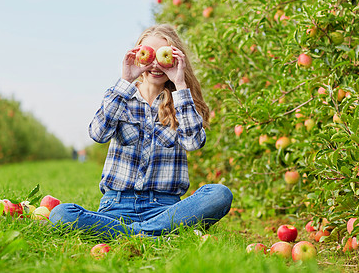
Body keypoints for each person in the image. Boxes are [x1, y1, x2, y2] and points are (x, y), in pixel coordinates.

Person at [49, 24, 233, 238]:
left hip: (164, 208)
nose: (155, 64)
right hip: (116, 207)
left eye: (163, 57)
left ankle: (129, 234)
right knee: (61, 214)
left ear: (175, 60)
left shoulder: (181, 103)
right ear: (138, 57)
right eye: (149, 56)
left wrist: (180, 84)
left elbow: (193, 142)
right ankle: (152, 233)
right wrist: (125, 80)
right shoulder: (121, 97)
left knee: (219, 194)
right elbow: (98, 134)